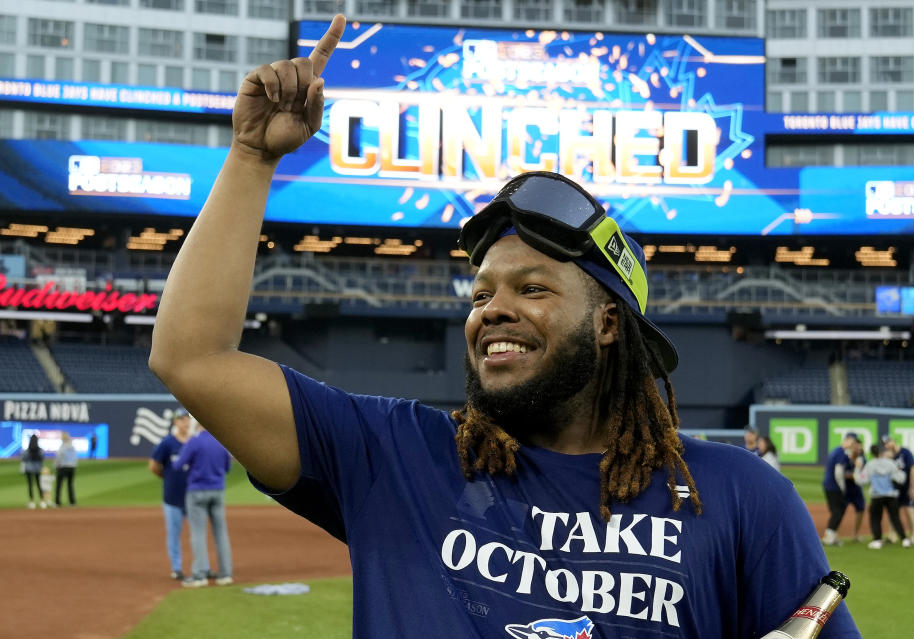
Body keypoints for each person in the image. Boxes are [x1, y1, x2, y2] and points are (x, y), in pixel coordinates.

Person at [148, 15, 859, 637]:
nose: (492, 309)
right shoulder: (395, 458)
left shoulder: (737, 495)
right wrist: (250, 158)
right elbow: (191, 358)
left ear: (608, 322)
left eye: (532, 287)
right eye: (480, 292)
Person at [173, 423, 234, 587]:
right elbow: (228, 467)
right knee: (221, 533)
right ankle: (226, 574)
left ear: (198, 423)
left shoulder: (194, 441)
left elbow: (178, 465)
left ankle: (199, 576)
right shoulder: (222, 441)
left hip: (197, 491)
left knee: (198, 534)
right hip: (218, 491)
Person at [149, 407, 192, 580]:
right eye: (181, 419)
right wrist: (166, 477)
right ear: (175, 422)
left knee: (197, 533)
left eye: (187, 419)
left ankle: (200, 566)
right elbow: (153, 465)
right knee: (174, 534)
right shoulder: (167, 443)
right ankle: (177, 568)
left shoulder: (193, 442)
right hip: (172, 497)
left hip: (192, 497)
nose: (185, 422)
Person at [855, 444, 909, 549]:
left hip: (876, 496)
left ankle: (877, 540)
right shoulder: (891, 463)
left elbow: (861, 480)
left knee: (875, 518)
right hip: (891, 495)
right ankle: (904, 539)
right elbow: (901, 478)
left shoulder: (870, 465)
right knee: (895, 518)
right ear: (881, 452)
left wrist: (857, 469)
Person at [820, 432, 861, 546]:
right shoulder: (840, 452)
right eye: (852, 442)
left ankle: (831, 536)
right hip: (834, 486)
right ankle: (829, 537)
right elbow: (838, 472)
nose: (853, 445)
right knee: (838, 512)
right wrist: (842, 487)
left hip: (830, 485)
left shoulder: (836, 450)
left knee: (837, 511)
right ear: (847, 440)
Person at [882, 434, 914, 545]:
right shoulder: (888, 456)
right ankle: (892, 535)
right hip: (897, 486)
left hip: (909, 484)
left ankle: (913, 536)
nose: (888, 445)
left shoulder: (905, 452)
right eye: (885, 444)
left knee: (909, 509)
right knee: (892, 510)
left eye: (889, 442)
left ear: (894, 441)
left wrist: (912, 488)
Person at [20, 433, 44, 509]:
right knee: (39, 485)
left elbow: (23, 458)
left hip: (29, 468)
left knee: (30, 485)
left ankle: (32, 502)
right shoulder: (40, 450)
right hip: (37, 469)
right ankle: (42, 501)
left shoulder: (27, 450)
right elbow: (42, 458)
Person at [54, 431, 78, 507]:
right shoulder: (72, 446)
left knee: (59, 485)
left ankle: (57, 502)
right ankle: (72, 502)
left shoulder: (62, 447)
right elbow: (75, 458)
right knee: (70, 485)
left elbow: (59, 457)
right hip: (72, 467)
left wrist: (56, 466)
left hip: (63, 467)